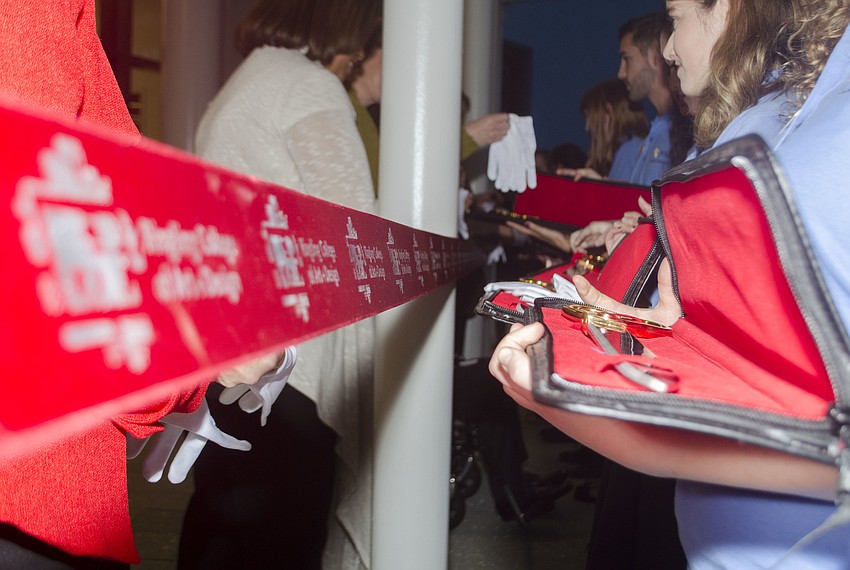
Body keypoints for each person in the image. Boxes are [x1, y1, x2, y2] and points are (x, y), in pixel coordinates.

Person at [490, 0, 850, 567]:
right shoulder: (788, 101)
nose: (670, 50)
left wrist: (646, 443)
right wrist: (672, 332)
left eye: (677, 19)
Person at [177, 1, 380, 569]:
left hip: (230, 342)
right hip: (286, 361)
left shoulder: (249, 81)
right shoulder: (307, 86)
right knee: (283, 534)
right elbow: (357, 226)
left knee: (220, 524)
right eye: (362, 37)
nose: (361, 52)